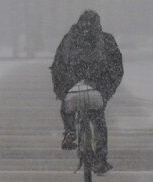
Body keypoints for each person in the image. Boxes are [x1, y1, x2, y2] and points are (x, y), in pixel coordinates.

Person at [50, 10, 123, 172]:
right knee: (99, 123)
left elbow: (57, 66)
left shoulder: (69, 39)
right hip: (96, 87)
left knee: (67, 108)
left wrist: (61, 91)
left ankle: (70, 131)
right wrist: (106, 92)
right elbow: (117, 68)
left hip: (72, 86)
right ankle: (100, 160)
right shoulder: (106, 40)